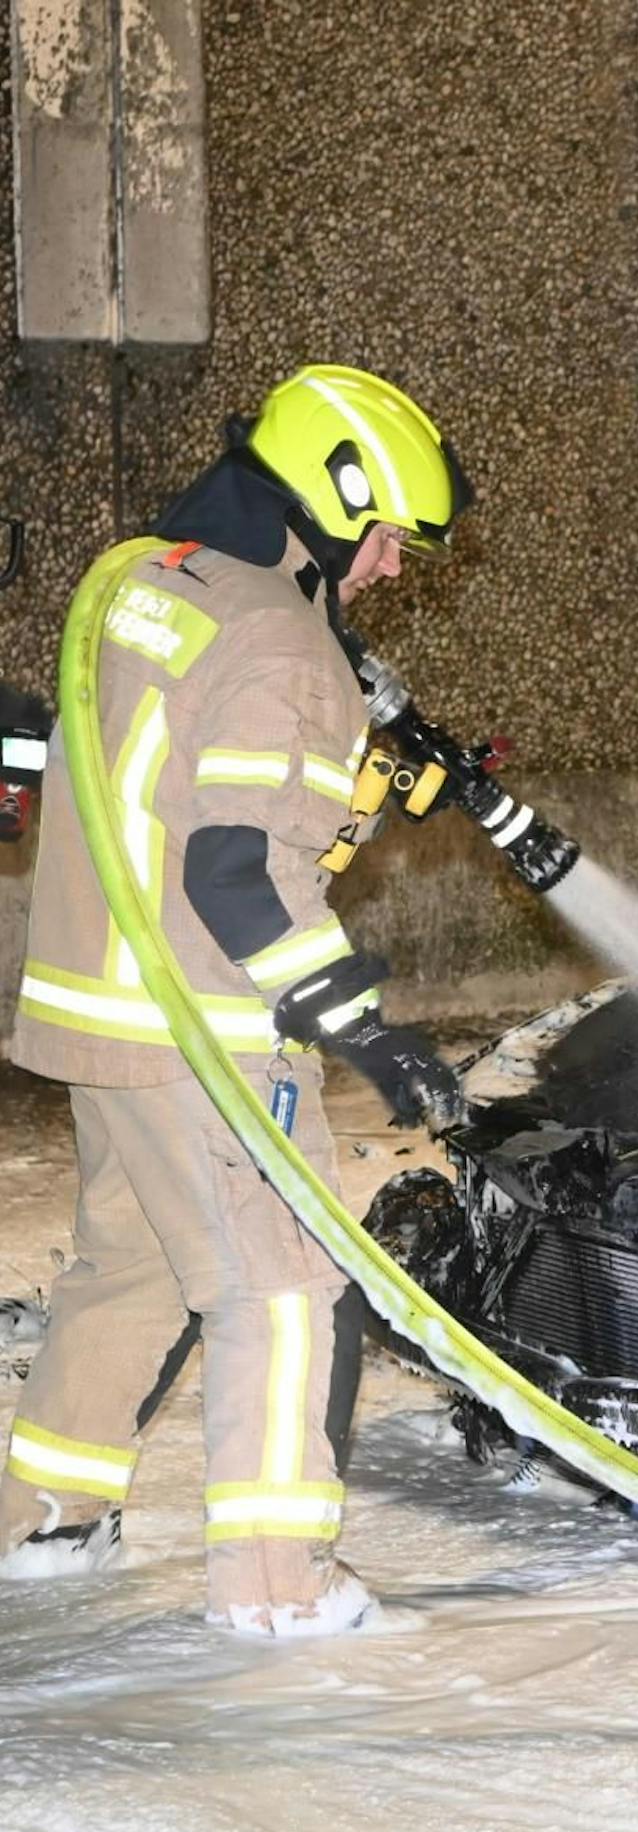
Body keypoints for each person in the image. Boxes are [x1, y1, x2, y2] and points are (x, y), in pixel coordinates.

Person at [0, 365, 470, 1636]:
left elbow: (142, 779)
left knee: (131, 1270)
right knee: (276, 1290)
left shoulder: (148, 576)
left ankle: (46, 1519)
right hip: (196, 1029)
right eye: (383, 540)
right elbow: (237, 871)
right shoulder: (283, 641)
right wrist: (363, 1025)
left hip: (97, 1012)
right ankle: (277, 1586)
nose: (383, 570)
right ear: (336, 495)